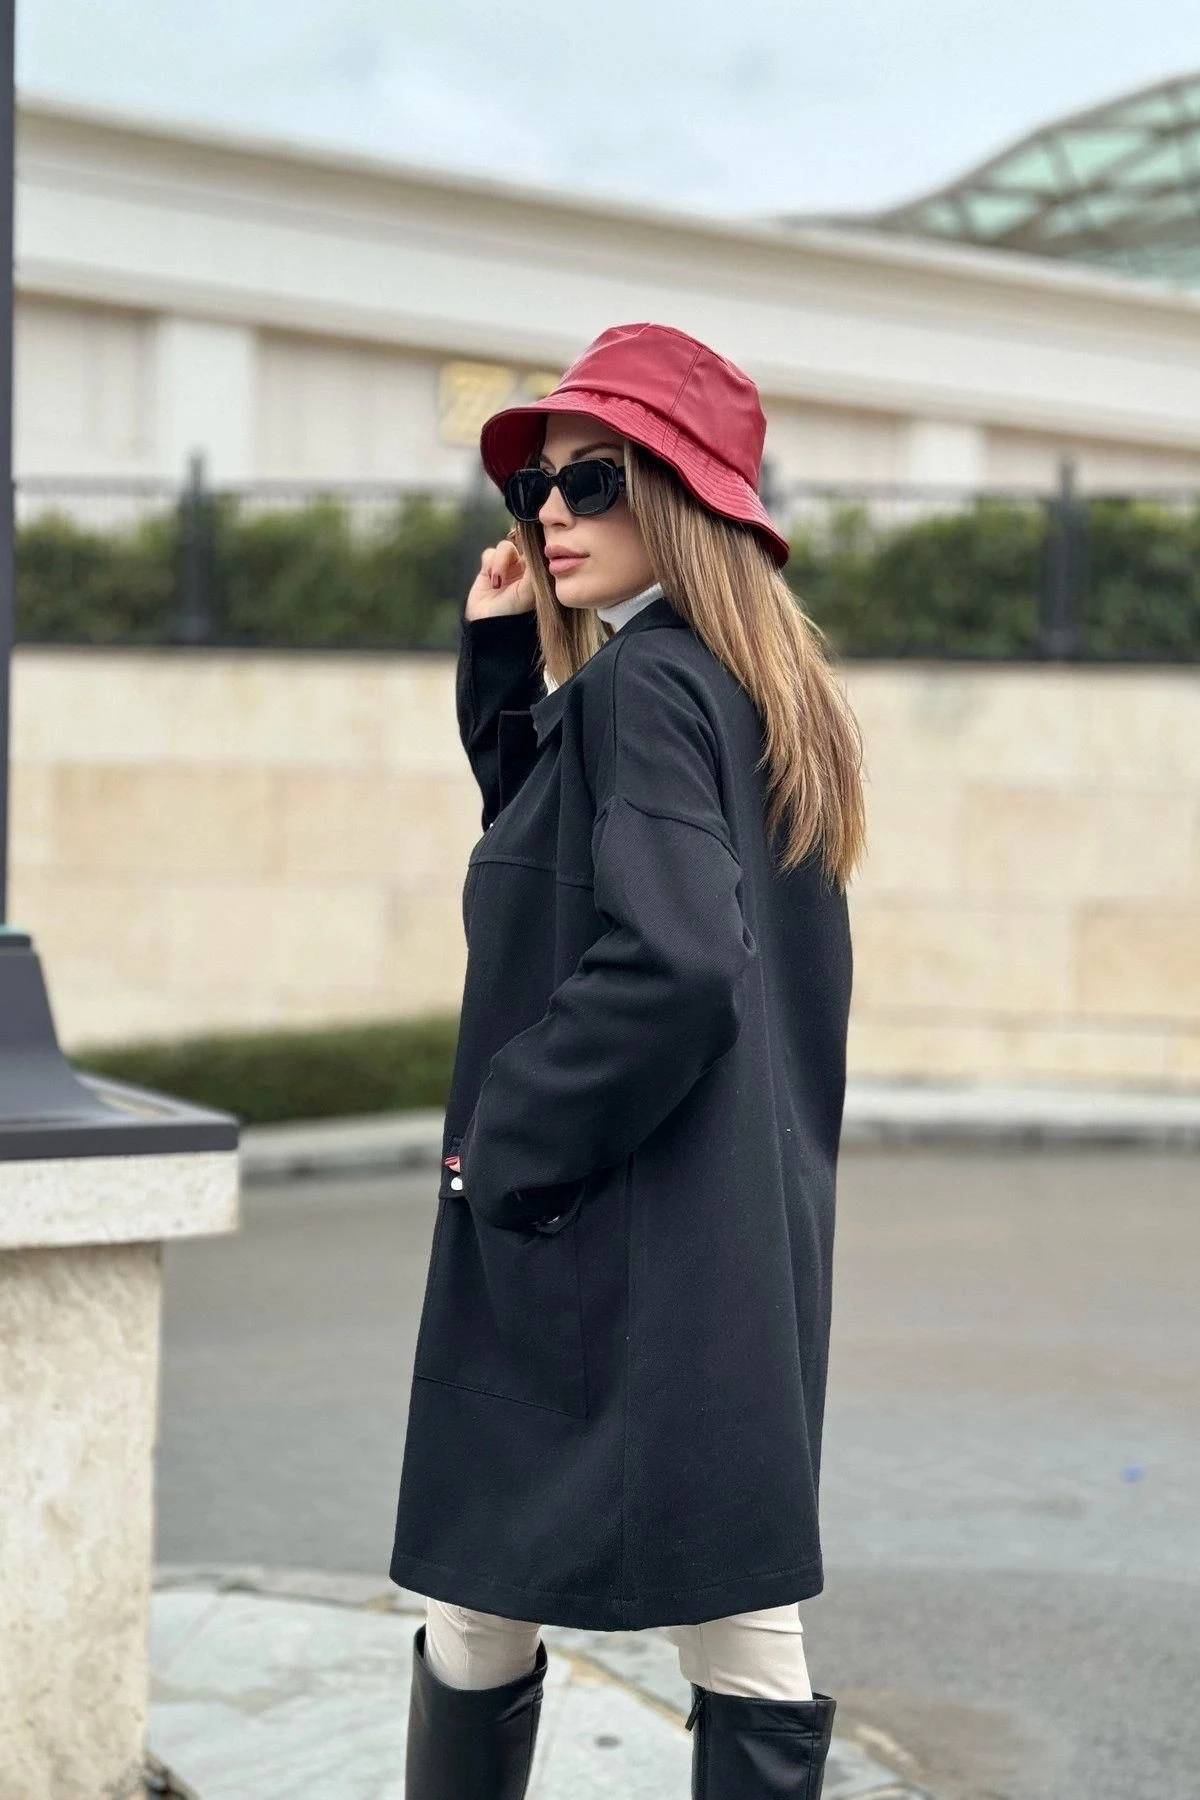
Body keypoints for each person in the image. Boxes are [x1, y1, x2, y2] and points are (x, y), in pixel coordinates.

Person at [392, 321, 866, 1799]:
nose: (549, 511)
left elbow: (671, 960)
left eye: (590, 479)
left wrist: (506, 1140)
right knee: (712, 1622)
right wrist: (501, 657)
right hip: (711, 1240)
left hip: (602, 1229)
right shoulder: (741, 689)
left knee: (496, 1587)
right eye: (532, 486)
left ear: (681, 495)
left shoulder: (647, 686)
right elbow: (567, 852)